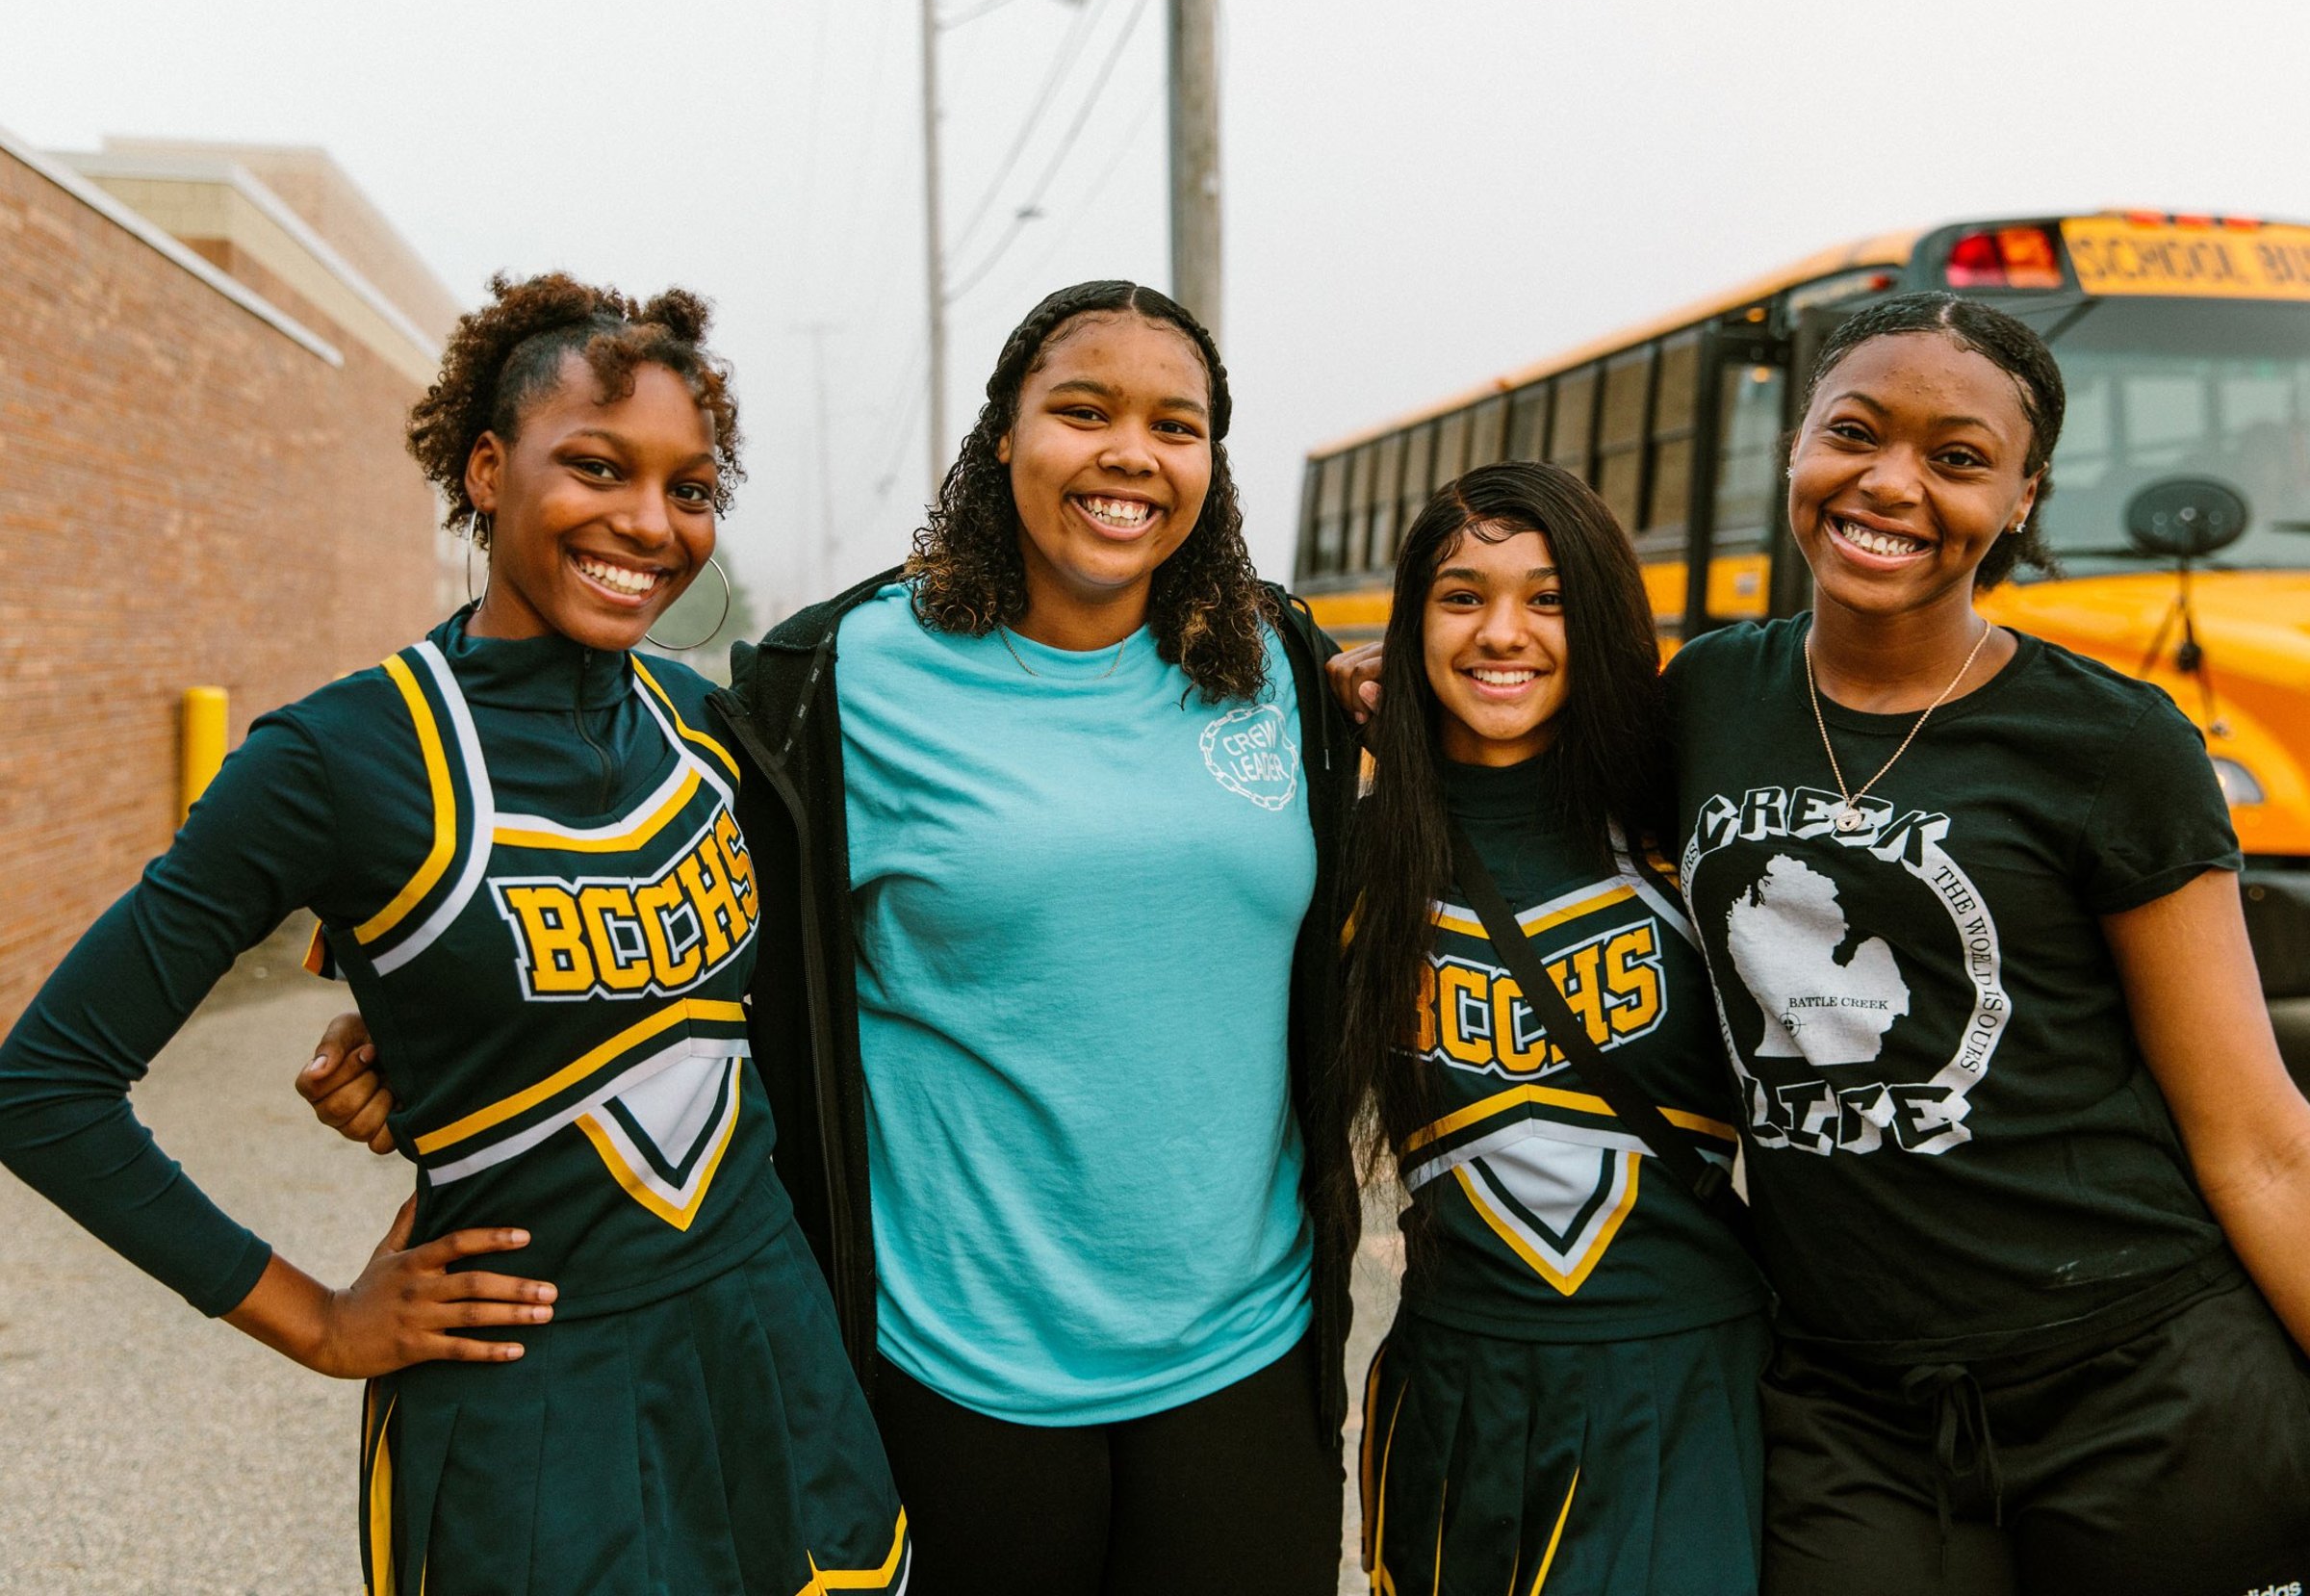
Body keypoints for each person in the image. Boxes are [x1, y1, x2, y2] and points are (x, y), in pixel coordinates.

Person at [304, 278, 1363, 1594]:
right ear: (1002, 435)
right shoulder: (841, 679)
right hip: (952, 1370)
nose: (1130, 455)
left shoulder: (1282, 667)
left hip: (1248, 1359)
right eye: (1080, 411)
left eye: (1177, 424)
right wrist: (439, 1019)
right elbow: (647, 883)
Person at [0, 273, 908, 1594]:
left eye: (692, 489)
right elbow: (44, 1084)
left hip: (769, 1345)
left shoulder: (705, 730)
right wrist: (316, 1321)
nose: (648, 524)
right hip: (537, 1402)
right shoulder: (338, 757)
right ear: (487, 469)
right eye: (596, 467)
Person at [1666, 293, 2310, 1592]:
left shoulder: (2114, 745)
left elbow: (2258, 1139)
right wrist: (1359, 688)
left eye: (1958, 458)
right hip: (1850, 1408)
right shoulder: (1705, 698)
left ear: (2022, 500)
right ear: (1797, 446)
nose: (1891, 484)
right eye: (1855, 432)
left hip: (2145, 1390)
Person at [1332, 462, 1770, 1596]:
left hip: (1685, 1385)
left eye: (1549, 598)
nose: (1502, 634)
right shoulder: (1352, 857)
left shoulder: (1690, 829)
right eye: (1462, 595)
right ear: (1410, 624)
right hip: (1453, 1395)